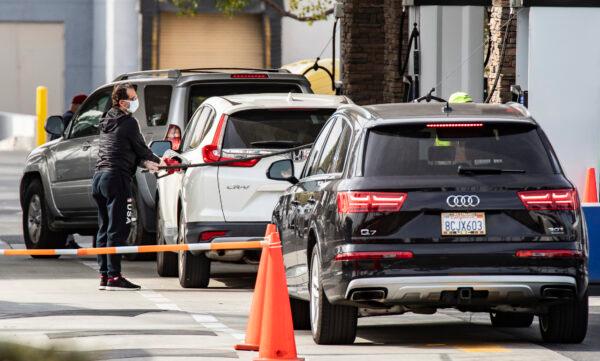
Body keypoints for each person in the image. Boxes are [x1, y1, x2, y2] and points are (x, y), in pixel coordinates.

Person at [92, 83, 164, 291]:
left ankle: (105, 276)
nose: (135, 102)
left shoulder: (106, 120)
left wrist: (145, 162)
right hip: (116, 179)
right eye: (132, 98)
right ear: (122, 102)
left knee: (104, 228)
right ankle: (115, 277)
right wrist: (159, 162)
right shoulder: (129, 122)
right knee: (118, 227)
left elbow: (123, 148)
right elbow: (141, 148)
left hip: (99, 178)